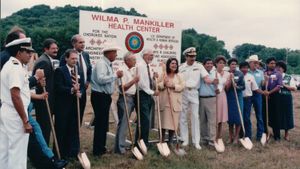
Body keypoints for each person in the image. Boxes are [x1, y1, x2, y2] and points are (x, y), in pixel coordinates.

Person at [0, 38, 34, 169]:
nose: (30, 55)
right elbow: (15, 96)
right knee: (17, 152)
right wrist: (25, 120)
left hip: (7, 110)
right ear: (19, 52)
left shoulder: (9, 65)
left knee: (4, 149)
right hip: (16, 113)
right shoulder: (15, 68)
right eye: (27, 51)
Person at [91, 44, 123, 156]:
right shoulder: (101, 64)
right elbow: (100, 79)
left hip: (104, 96)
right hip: (100, 96)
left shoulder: (107, 64)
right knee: (100, 124)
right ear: (109, 53)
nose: (116, 55)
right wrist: (115, 76)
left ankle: (101, 148)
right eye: (115, 52)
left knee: (103, 123)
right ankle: (98, 150)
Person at [179, 47, 212, 149]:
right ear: (186, 56)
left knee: (195, 117)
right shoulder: (181, 67)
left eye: (194, 56)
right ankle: (184, 139)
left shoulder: (199, 66)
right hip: (183, 92)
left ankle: (196, 141)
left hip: (194, 92)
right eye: (191, 56)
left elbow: (206, 78)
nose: (193, 58)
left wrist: (212, 81)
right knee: (183, 116)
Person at [54, 49, 84, 158]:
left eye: (76, 58)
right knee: (62, 129)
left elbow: (82, 85)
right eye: (72, 58)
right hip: (63, 106)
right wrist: (71, 90)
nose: (75, 61)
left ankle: (70, 152)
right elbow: (58, 88)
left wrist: (80, 93)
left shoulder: (78, 71)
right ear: (66, 58)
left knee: (72, 129)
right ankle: (59, 154)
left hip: (74, 105)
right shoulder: (60, 71)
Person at [32, 38, 59, 145]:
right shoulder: (43, 61)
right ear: (46, 49)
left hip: (46, 98)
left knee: (46, 126)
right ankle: (44, 152)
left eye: (56, 48)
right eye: (53, 48)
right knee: (45, 127)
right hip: (44, 100)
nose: (56, 50)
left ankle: (44, 150)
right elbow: (40, 82)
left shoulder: (47, 59)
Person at [60, 34, 92, 123]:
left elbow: (89, 69)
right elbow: (63, 74)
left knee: (80, 114)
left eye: (84, 42)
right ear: (74, 44)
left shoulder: (86, 55)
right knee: (71, 116)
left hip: (83, 91)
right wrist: (72, 88)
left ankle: (76, 133)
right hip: (72, 92)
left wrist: (88, 81)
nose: (83, 44)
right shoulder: (66, 56)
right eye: (80, 42)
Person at [114, 52, 139, 154]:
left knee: (127, 122)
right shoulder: (122, 70)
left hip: (133, 98)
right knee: (124, 123)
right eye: (133, 59)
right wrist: (134, 81)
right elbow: (122, 88)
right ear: (127, 61)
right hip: (125, 98)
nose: (135, 61)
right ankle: (120, 149)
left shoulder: (132, 69)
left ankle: (125, 145)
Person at [157, 58, 185, 144]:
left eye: (176, 64)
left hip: (174, 103)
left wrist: (173, 86)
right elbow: (157, 85)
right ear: (168, 65)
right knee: (163, 123)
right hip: (164, 103)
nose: (174, 65)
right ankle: (161, 141)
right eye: (172, 63)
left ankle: (170, 142)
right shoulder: (163, 75)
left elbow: (182, 86)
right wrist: (164, 84)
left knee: (173, 124)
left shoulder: (180, 76)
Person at [134, 49, 158, 148]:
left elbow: (148, 81)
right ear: (144, 55)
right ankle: (142, 142)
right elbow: (141, 83)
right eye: (149, 55)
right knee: (145, 120)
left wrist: (153, 77)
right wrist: (152, 92)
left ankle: (141, 141)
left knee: (144, 120)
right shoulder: (140, 66)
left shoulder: (147, 66)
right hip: (142, 94)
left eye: (153, 55)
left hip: (147, 95)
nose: (151, 57)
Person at [239, 61, 265, 140]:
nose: (245, 69)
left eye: (246, 68)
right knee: (241, 117)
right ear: (240, 68)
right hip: (239, 98)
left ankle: (248, 135)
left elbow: (256, 88)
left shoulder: (251, 76)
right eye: (243, 68)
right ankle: (241, 134)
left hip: (247, 99)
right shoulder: (237, 75)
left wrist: (264, 92)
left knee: (247, 117)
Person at [198, 58, 218, 146]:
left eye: (211, 63)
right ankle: (204, 139)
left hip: (211, 98)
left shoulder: (215, 73)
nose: (209, 65)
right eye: (207, 63)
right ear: (203, 64)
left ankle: (212, 139)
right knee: (202, 120)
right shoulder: (200, 73)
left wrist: (218, 88)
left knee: (212, 120)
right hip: (201, 98)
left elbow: (219, 85)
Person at [246, 55, 266, 141]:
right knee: (247, 115)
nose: (256, 64)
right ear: (250, 63)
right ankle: (248, 135)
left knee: (259, 115)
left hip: (258, 95)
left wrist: (266, 80)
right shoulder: (246, 72)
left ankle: (260, 135)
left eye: (257, 63)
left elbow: (263, 85)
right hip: (248, 94)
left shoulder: (260, 72)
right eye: (254, 62)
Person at [263, 57, 283, 140]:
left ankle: (277, 135)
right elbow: (261, 84)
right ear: (267, 64)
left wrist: (270, 93)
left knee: (275, 115)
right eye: (271, 63)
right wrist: (265, 91)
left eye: (274, 63)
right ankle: (266, 132)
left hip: (274, 96)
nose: (273, 65)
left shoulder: (278, 74)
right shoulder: (263, 73)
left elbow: (279, 86)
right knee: (265, 114)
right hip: (264, 95)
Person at [226, 58, 245, 144]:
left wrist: (237, 87)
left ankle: (236, 137)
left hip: (238, 96)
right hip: (229, 97)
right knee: (230, 118)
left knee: (238, 117)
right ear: (229, 65)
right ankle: (230, 136)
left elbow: (243, 86)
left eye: (235, 64)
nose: (234, 66)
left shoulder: (240, 74)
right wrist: (230, 80)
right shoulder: (226, 74)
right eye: (232, 64)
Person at [276, 61, 296, 141]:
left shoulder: (289, 77)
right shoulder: (274, 76)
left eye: (280, 67)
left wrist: (283, 85)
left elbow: (294, 88)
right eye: (277, 67)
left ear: (283, 69)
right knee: (277, 115)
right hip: (276, 98)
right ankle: (276, 134)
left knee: (287, 115)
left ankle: (286, 134)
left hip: (286, 98)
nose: (278, 69)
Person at [214, 56, 230, 144]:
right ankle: (213, 135)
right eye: (220, 62)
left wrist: (230, 81)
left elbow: (227, 87)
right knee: (214, 116)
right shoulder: (213, 72)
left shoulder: (227, 74)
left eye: (223, 63)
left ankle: (219, 135)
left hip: (223, 95)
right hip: (214, 95)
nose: (222, 64)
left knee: (220, 116)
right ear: (216, 63)